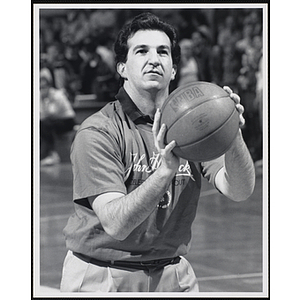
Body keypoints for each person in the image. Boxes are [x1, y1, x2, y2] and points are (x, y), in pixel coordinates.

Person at [60, 12, 255, 293]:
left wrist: (232, 131)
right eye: (142, 51)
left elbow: (239, 190)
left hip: (172, 273)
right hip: (103, 274)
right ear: (122, 68)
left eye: (163, 52)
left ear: (174, 69)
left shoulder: (196, 127)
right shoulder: (98, 131)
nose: (154, 59)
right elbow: (115, 224)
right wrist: (165, 171)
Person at [40, 69, 76, 166]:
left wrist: (45, 103)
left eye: (44, 87)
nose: (42, 90)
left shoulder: (57, 95)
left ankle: (52, 153)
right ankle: (43, 154)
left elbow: (52, 112)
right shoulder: (39, 96)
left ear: (49, 86)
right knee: (42, 124)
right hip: (52, 121)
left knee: (45, 124)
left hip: (67, 120)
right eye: (40, 87)